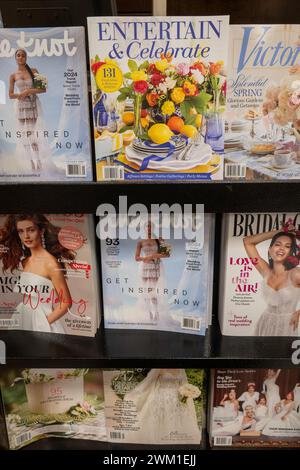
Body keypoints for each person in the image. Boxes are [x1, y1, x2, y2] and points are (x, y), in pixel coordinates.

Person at [0, 214, 76, 333]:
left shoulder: (51, 264)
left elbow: (66, 302)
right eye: (21, 231)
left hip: (41, 321)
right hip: (22, 316)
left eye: (31, 230)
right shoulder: (25, 261)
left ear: (41, 231)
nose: (26, 236)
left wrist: (44, 322)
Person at [243, 221, 300, 336]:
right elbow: (247, 242)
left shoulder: (295, 274)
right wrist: (280, 231)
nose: (281, 249)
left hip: (287, 326)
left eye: (287, 246)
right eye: (278, 244)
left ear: (291, 252)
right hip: (264, 323)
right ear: (270, 249)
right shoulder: (265, 270)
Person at [124, 369, 201, 444]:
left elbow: (184, 385)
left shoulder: (181, 369)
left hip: (177, 398)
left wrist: (187, 392)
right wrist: (136, 393)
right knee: (161, 417)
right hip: (161, 397)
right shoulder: (159, 369)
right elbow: (149, 382)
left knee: (177, 417)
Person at [9, 48, 46, 172]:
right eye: (18, 55)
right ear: (15, 58)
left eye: (23, 55)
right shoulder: (13, 75)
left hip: (32, 105)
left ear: (26, 57)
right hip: (21, 107)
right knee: (24, 136)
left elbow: (43, 89)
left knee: (31, 135)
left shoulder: (34, 71)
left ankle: (38, 161)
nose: (20, 57)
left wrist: (29, 91)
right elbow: (10, 95)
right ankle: (31, 163)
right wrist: (20, 95)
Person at [135, 221, 170, 321]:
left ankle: (156, 312)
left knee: (153, 290)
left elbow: (167, 254)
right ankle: (149, 313)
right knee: (145, 290)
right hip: (144, 267)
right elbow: (136, 257)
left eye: (151, 226)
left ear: (153, 228)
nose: (149, 228)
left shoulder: (159, 239)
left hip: (155, 266)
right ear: (144, 228)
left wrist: (153, 256)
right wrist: (144, 258)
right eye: (147, 226)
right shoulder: (140, 241)